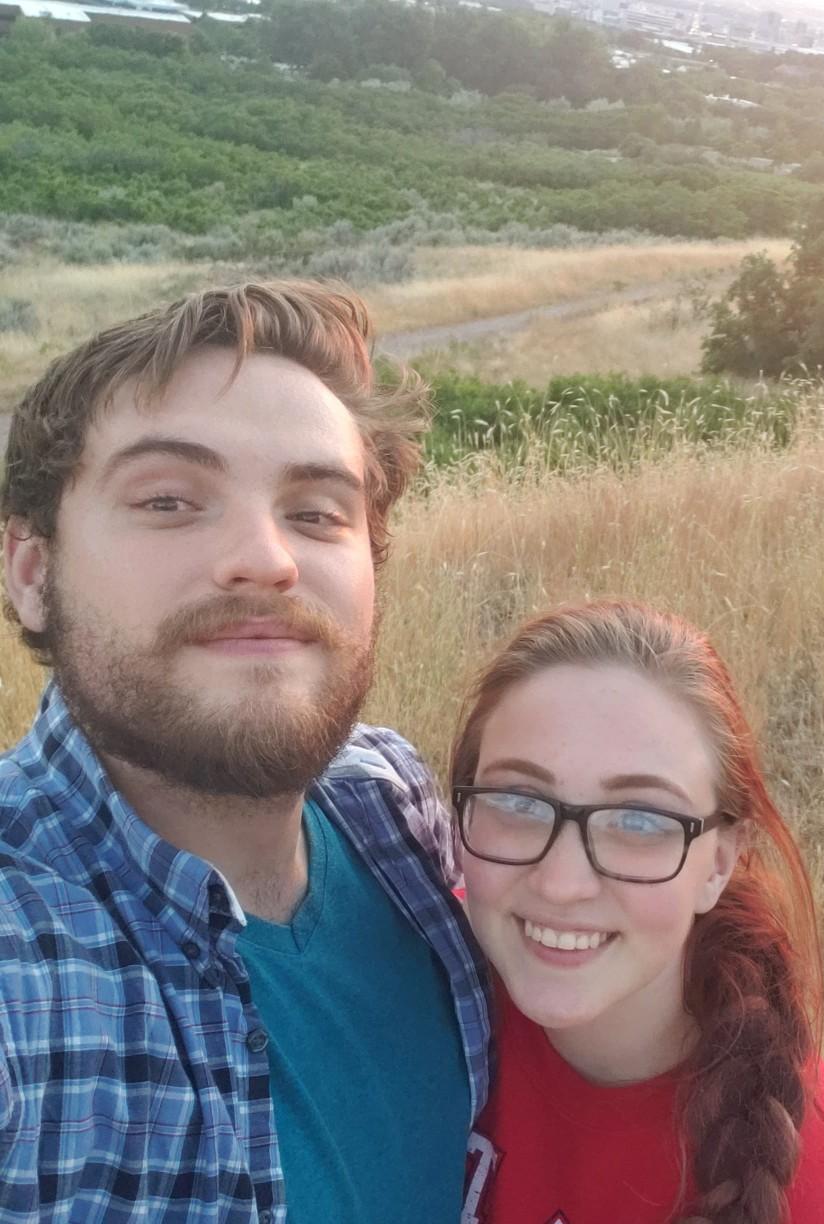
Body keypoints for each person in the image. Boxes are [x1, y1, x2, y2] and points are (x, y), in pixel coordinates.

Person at [0, 282, 490, 1222]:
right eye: (173, 500)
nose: (266, 557)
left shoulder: (396, 808)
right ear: (33, 574)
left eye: (316, 513)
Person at [453, 601, 824, 1224]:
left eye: (640, 820)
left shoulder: (821, 1197)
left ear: (718, 864)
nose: (561, 883)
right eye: (517, 801)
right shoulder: (415, 974)